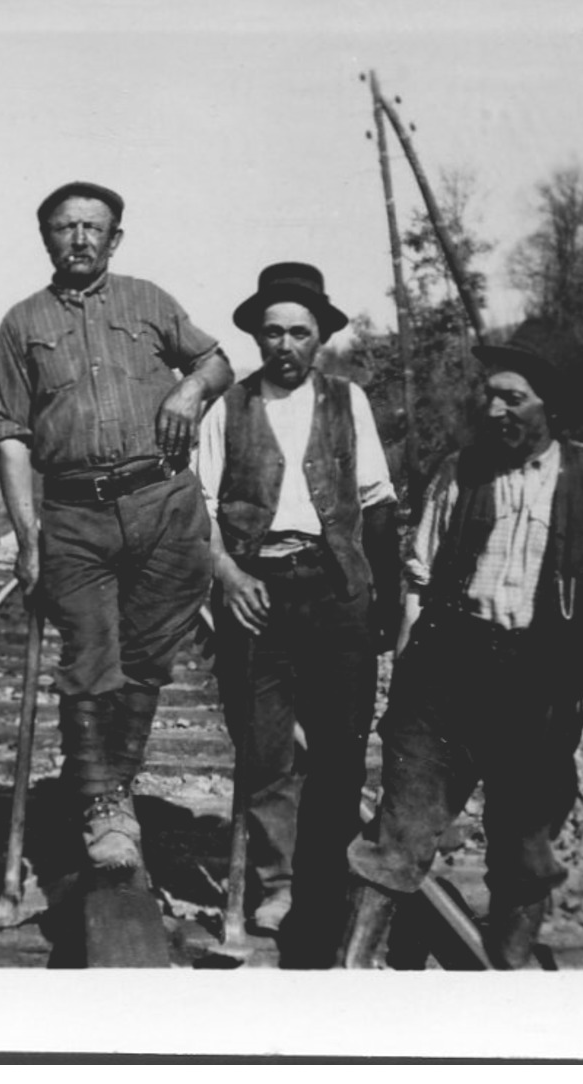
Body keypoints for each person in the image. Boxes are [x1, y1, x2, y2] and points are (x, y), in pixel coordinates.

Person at [338, 318, 583, 968]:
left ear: (550, 406)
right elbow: (416, 575)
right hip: (444, 686)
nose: (494, 409)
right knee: (399, 837)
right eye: (489, 395)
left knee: (525, 853)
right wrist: (409, 661)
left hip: (541, 693)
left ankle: (504, 979)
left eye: (513, 398)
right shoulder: (457, 473)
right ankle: (344, 976)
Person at [0, 181, 234, 871]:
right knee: (90, 660)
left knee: (147, 661)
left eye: (95, 227)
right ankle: (103, 808)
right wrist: (29, 540)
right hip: (75, 515)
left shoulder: (150, 301)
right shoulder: (20, 324)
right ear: (47, 238)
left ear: (115, 238)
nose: (81, 239)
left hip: (163, 507)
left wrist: (189, 388)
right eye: (66, 228)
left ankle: (106, 787)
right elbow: (9, 434)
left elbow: (217, 360)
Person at [195, 262, 401, 942]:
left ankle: (326, 884)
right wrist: (227, 577)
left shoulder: (349, 402)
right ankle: (280, 885)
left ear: (321, 339)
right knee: (264, 750)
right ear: (258, 336)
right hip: (258, 591)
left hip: (335, 588)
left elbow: (375, 503)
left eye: (300, 333)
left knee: (341, 752)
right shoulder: (227, 408)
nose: (285, 345)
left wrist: (383, 599)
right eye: (273, 332)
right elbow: (199, 509)